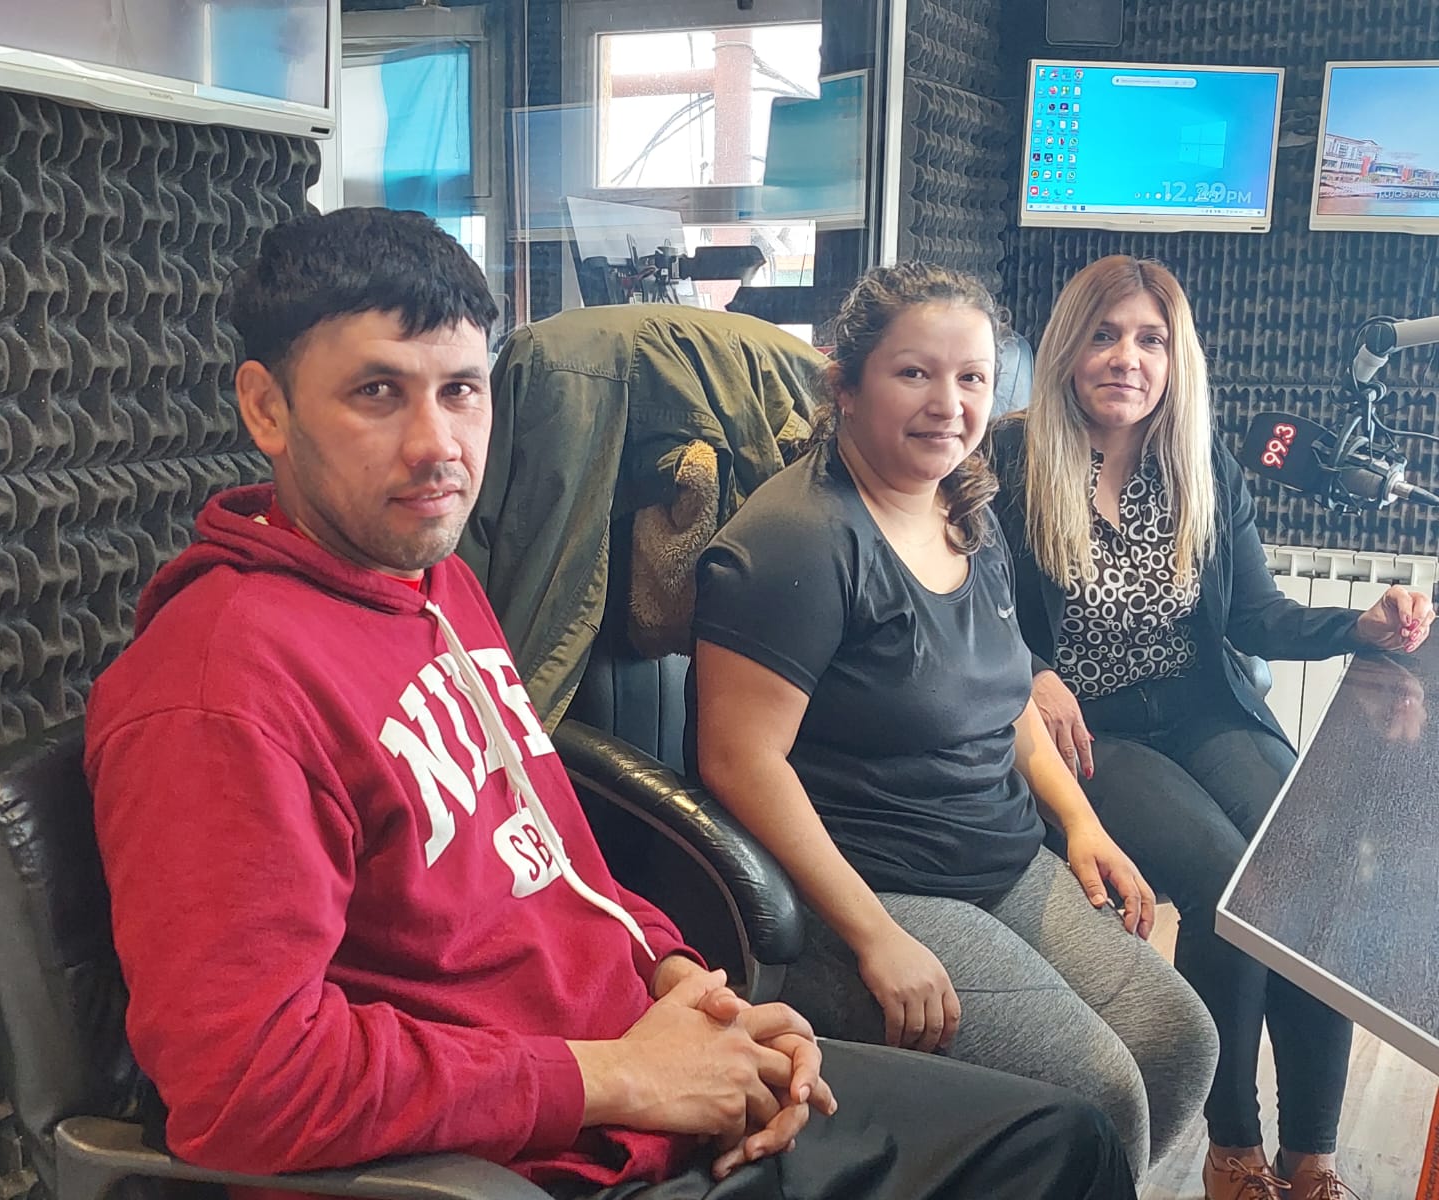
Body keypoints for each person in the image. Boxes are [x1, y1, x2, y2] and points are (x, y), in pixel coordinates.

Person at [83, 208, 1139, 1200]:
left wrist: (687, 986)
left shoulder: (432, 583)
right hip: (542, 1160)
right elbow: (244, 1084)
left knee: (1062, 1137)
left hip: (636, 1080)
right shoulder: (218, 692)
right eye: (376, 392)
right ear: (266, 408)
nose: (436, 445)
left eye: (461, 391)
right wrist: (620, 1078)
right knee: (1052, 1155)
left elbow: (554, 860)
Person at [690, 261, 1218, 1182]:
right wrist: (873, 936)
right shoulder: (796, 541)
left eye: (971, 377)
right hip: (872, 892)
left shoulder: (964, 508)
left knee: (1177, 1042)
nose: (949, 403)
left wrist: (1080, 822)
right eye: (914, 373)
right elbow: (739, 761)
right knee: (1098, 1094)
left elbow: (1012, 695)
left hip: (1001, 862)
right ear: (844, 386)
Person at [988, 254, 1436, 1200]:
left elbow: (1257, 617)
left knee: (1309, 869)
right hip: (1095, 733)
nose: (1128, 357)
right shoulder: (1009, 461)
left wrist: (1359, 626)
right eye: (1106, 335)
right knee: (1231, 884)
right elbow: (964, 601)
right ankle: (1232, 1150)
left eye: (1150, 339)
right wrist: (1029, 670)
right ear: (1069, 349)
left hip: (1200, 707)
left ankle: (1312, 1159)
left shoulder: (1203, 465)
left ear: (1175, 356)